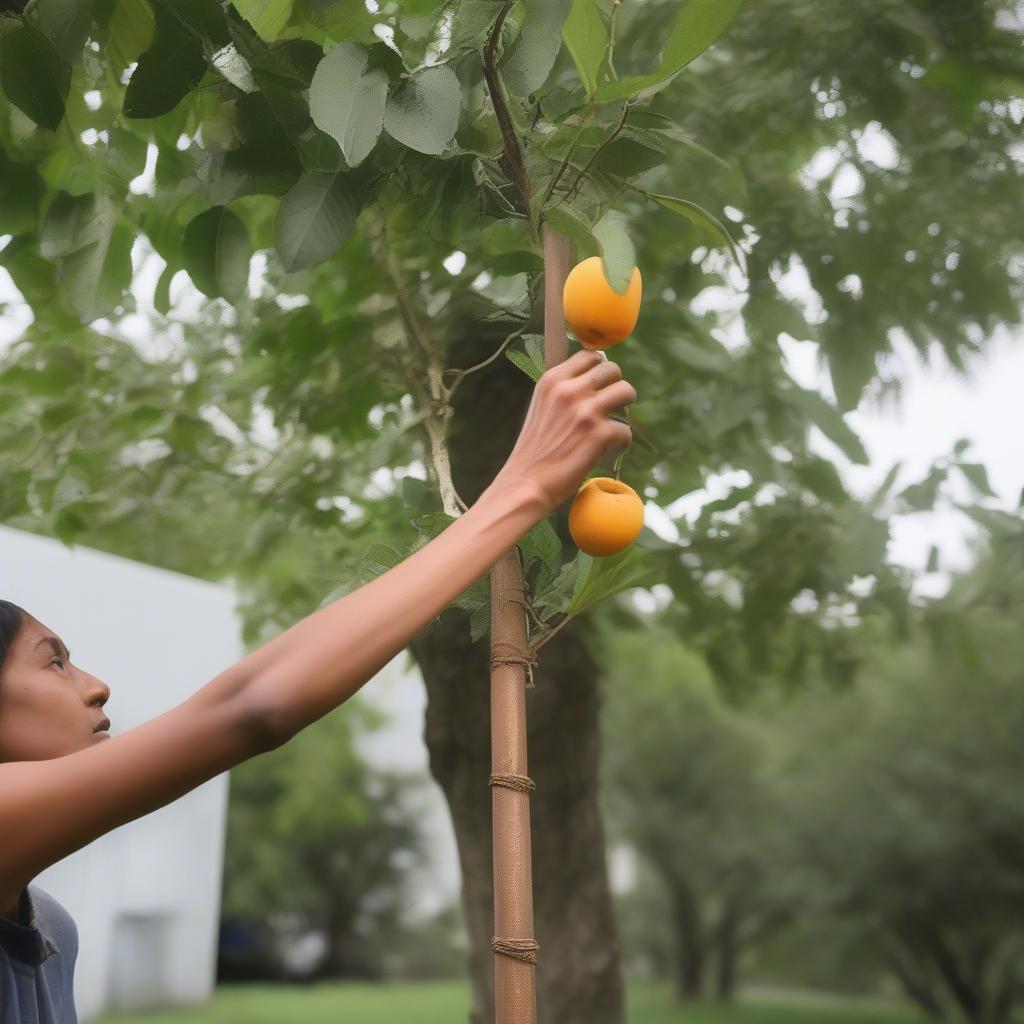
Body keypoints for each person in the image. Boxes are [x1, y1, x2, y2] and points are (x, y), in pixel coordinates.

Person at [0, 347, 636, 1022]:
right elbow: (251, 708)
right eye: (54, 661)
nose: (97, 687)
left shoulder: (50, 931)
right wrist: (525, 487)